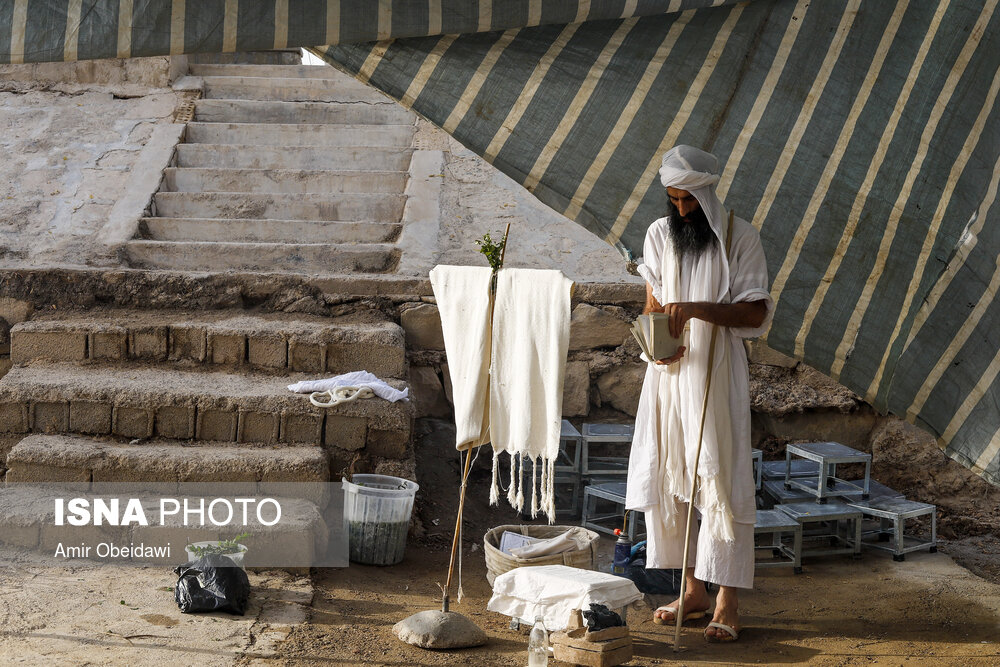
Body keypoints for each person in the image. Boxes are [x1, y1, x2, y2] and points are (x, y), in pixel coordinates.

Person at [625, 145, 772, 643]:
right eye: (673, 200)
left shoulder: (739, 236)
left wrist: (696, 309)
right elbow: (652, 304)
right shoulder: (658, 234)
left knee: (723, 477)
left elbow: (754, 313)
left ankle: (728, 599)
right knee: (673, 475)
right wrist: (656, 345)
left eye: (689, 200)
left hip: (718, 372)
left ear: (706, 195)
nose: (682, 209)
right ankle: (692, 590)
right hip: (668, 377)